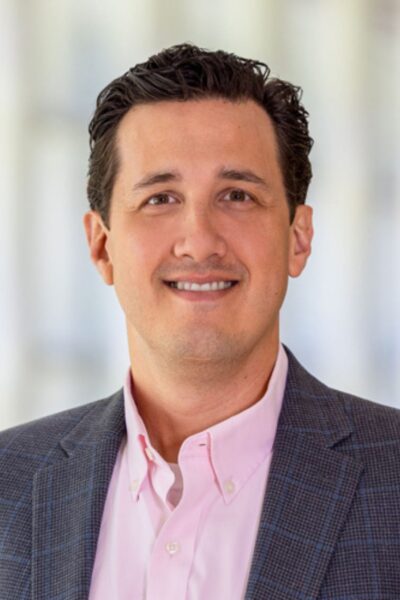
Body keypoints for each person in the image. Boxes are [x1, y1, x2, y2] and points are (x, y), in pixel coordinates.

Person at [0, 43, 399, 600]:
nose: (199, 242)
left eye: (237, 195)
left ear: (298, 237)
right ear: (102, 246)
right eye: (160, 198)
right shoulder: (9, 483)